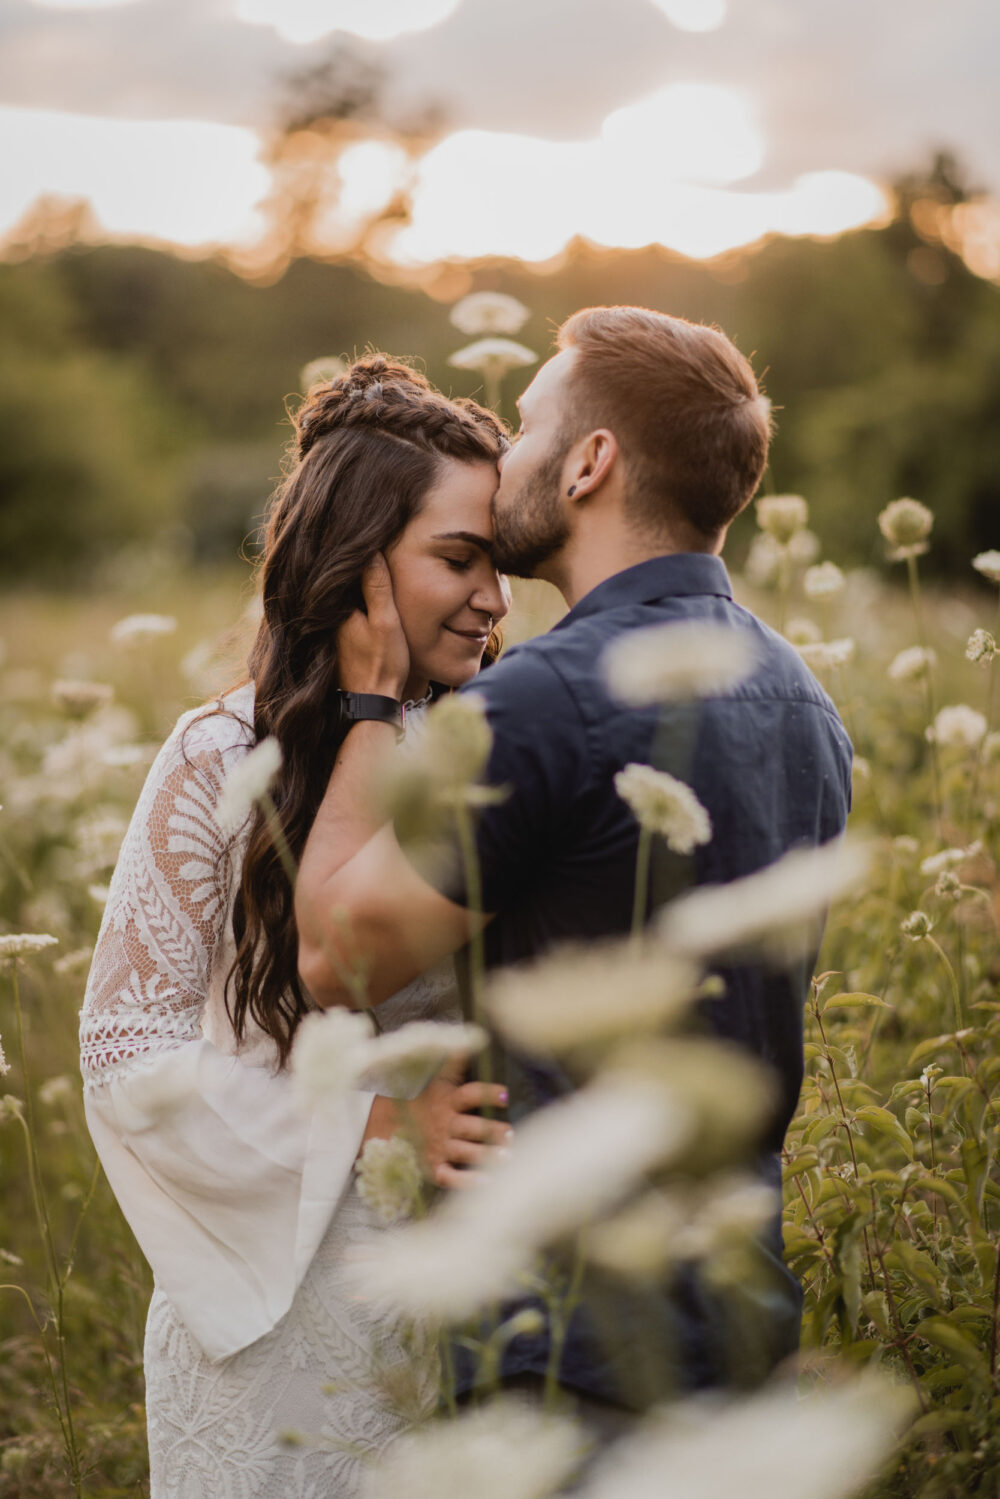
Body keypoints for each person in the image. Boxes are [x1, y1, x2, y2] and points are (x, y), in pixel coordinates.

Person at [295, 306, 854, 1416]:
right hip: (734, 1316)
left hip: (563, 1344)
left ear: (591, 460)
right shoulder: (806, 700)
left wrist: (367, 695)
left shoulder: (545, 696)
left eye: (528, 420)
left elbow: (335, 952)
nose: (505, 451)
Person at [79, 355, 513, 1498]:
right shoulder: (218, 755)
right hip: (271, 1315)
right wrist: (377, 1120)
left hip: (462, 1298)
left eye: (500, 564)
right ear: (356, 564)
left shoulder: (489, 751)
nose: (494, 598)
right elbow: (125, 1049)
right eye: (458, 559)